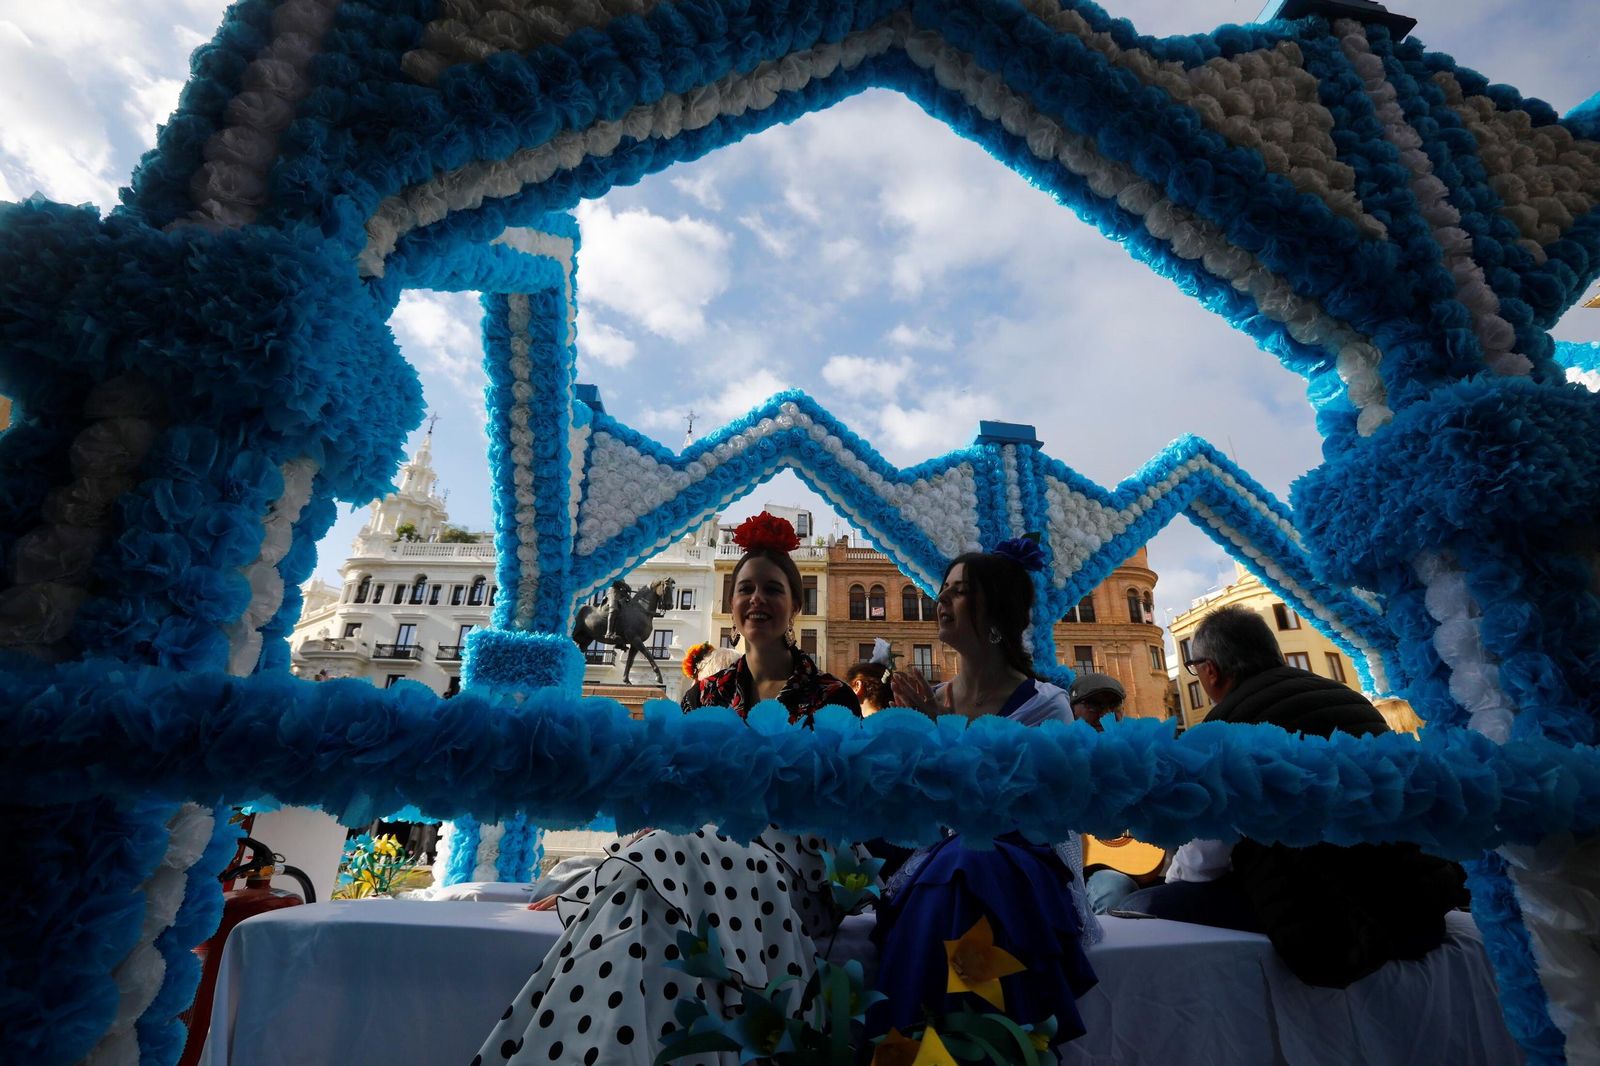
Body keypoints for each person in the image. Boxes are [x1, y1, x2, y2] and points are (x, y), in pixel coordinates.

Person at [472, 513, 861, 1065]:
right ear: (731, 605)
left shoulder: (831, 695)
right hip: (694, 853)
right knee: (644, 909)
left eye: (773, 590)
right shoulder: (705, 694)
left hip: (790, 866)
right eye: (745, 588)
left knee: (657, 866)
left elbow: (834, 805)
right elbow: (671, 791)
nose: (757, 600)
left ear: (795, 606)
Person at [1120, 604, 1468, 987]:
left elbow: (1204, 861)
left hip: (1335, 926)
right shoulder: (1347, 698)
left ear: (1210, 670)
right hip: (1416, 902)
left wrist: (1173, 880)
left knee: (1135, 907)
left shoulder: (1224, 729)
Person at [871, 540, 1099, 1050]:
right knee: (956, 863)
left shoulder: (1047, 707)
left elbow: (1032, 810)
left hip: (1021, 865)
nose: (941, 601)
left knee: (972, 860)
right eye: (943, 590)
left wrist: (941, 741)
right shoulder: (930, 702)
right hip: (940, 862)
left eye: (960, 592)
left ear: (995, 612)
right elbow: (914, 816)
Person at [1067, 672, 1152, 914]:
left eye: (1113, 705)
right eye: (1094, 704)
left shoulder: (1135, 759)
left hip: (1126, 867)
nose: (1105, 714)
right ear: (1072, 710)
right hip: (1071, 872)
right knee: (1113, 888)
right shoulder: (1060, 758)